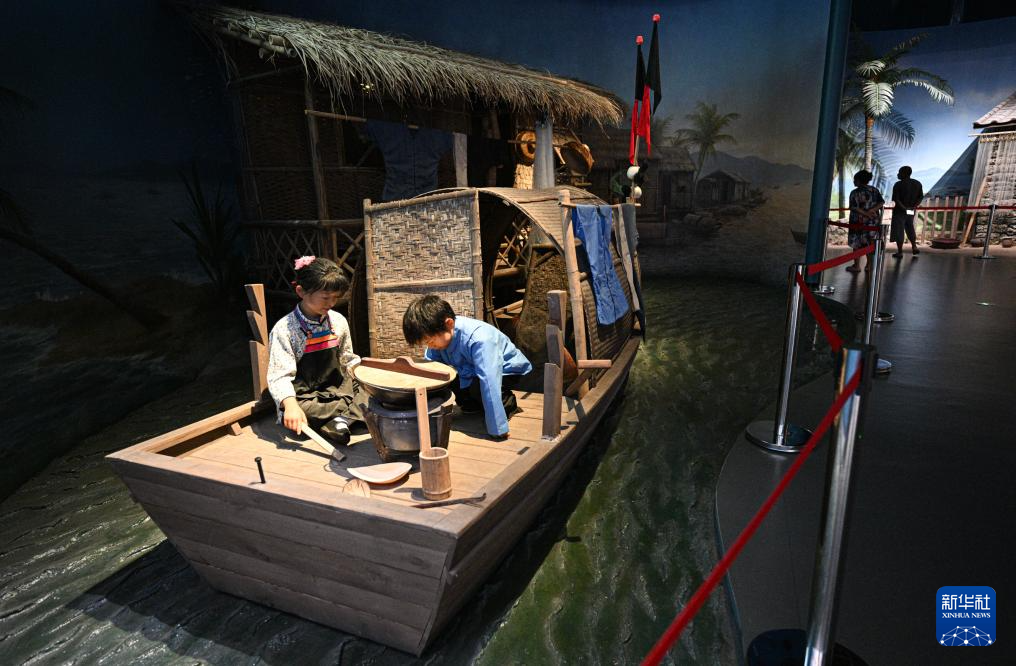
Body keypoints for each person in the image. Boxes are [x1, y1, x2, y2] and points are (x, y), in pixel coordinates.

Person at [402, 295, 532, 440]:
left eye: (431, 341)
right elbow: (432, 372)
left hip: (505, 370)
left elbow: (489, 381)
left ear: (449, 324)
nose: (430, 346)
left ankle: (508, 403)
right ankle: (474, 403)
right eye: (426, 343)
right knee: (447, 380)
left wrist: (498, 428)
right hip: (471, 370)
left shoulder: (480, 339)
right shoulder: (440, 338)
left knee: (479, 387)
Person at [267, 256, 364, 447]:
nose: (331, 303)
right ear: (301, 291)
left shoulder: (338, 321)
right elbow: (279, 376)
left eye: (336, 297)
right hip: (305, 398)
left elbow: (347, 359)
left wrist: (364, 378)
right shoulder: (284, 329)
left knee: (373, 393)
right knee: (300, 410)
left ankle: (338, 421)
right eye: (326, 297)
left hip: (337, 390)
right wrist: (291, 406)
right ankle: (346, 419)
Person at [846, 170, 885, 273]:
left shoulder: (855, 192)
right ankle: (869, 265)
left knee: (856, 243)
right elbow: (881, 202)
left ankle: (857, 266)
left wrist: (865, 213)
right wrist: (871, 211)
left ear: (859, 180)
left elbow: (854, 207)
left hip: (857, 222)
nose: (854, 181)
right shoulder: (874, 190)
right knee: (870, 243)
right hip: (872, 222)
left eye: (855, 180)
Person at [890, 166, 924, 257]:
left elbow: (896, 199)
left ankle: (900, 252)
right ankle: (914, 247)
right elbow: (920, 197)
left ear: (904, 173)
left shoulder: (898, 184)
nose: (898, 174)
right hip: (911, 210)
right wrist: (913, 207)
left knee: (899, 231)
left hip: (899, 211)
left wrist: (904, 208)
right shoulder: (917, 183)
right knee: (910, 227)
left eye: (899, 172)